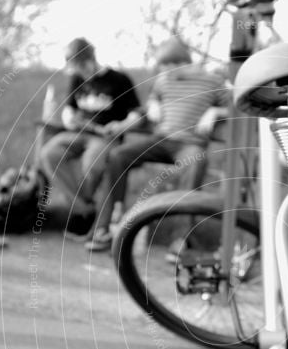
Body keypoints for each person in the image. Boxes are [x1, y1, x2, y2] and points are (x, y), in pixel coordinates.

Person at [85, 37, 229, 252]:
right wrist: (153, 104)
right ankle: (107, 224)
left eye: (170, 66)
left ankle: (179, 240)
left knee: (195, 165)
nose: (166, 71)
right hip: (161, 140)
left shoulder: (211, 81)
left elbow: (237, 106)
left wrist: (215, 111)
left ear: (184, 63)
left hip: (189, 144)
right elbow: (154, 97)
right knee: (118, 156)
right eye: (163, 66)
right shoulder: (163, 81)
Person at [37, 38, 143, 234]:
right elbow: (69, 108)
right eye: (76, 68)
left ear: (90, 59)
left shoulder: (120, 80)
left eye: (81, 66)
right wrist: (69, 119)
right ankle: (84, 209)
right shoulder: (77, 79)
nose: (80, 72)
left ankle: (80, 213)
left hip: (105, 137)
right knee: (49, 154)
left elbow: (137, 114)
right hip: (77, 133)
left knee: (91, 163)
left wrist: (121, 125)